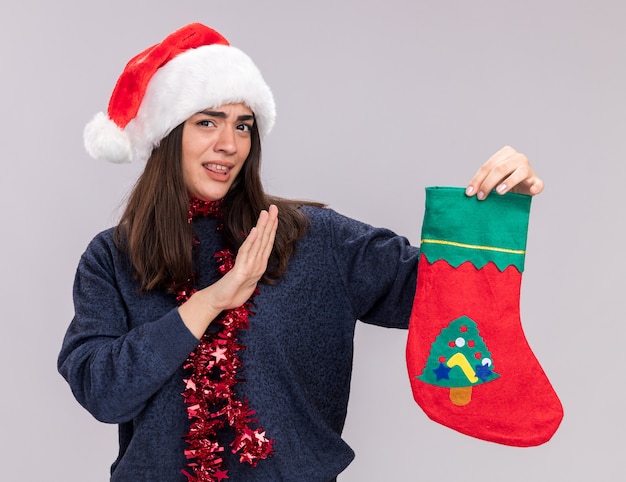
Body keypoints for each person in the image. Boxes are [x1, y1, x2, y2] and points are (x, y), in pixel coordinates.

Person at [57, 23, 544, 482]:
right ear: (167, 136)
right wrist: (210, 302)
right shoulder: (113, 257)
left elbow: (446, 293)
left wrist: (494, 211)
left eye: (243, 125)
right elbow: (103, 392)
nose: (229, 144)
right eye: (207, 122)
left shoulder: (313, 239)